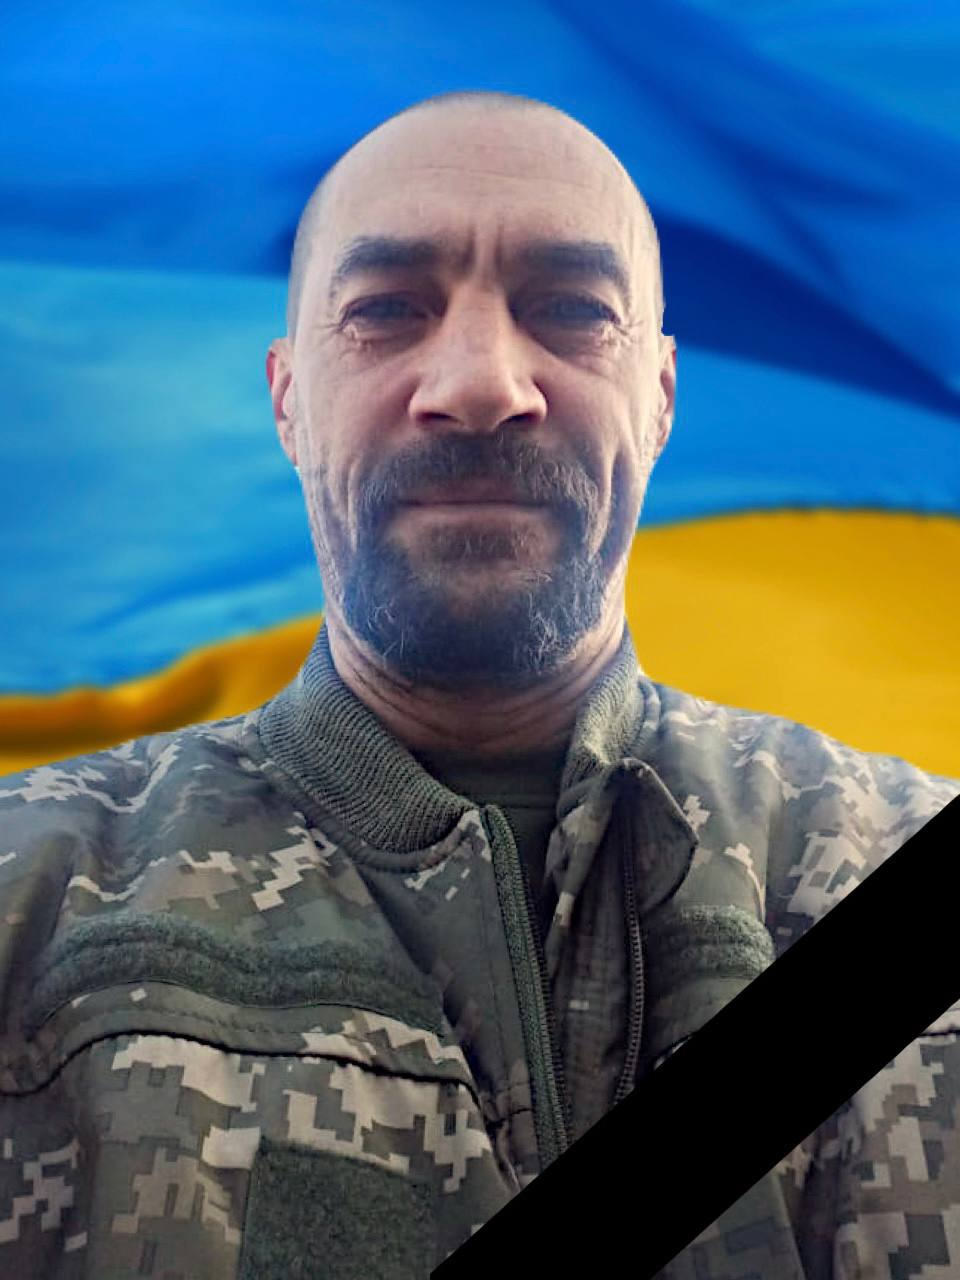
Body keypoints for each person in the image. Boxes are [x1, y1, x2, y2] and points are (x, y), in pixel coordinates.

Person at [0, 89, 956, 1280]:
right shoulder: (26, 893)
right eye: (387, 309)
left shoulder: (890, 846)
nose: (482, 382)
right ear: (288, 399)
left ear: (661, 396)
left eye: (572, 310)